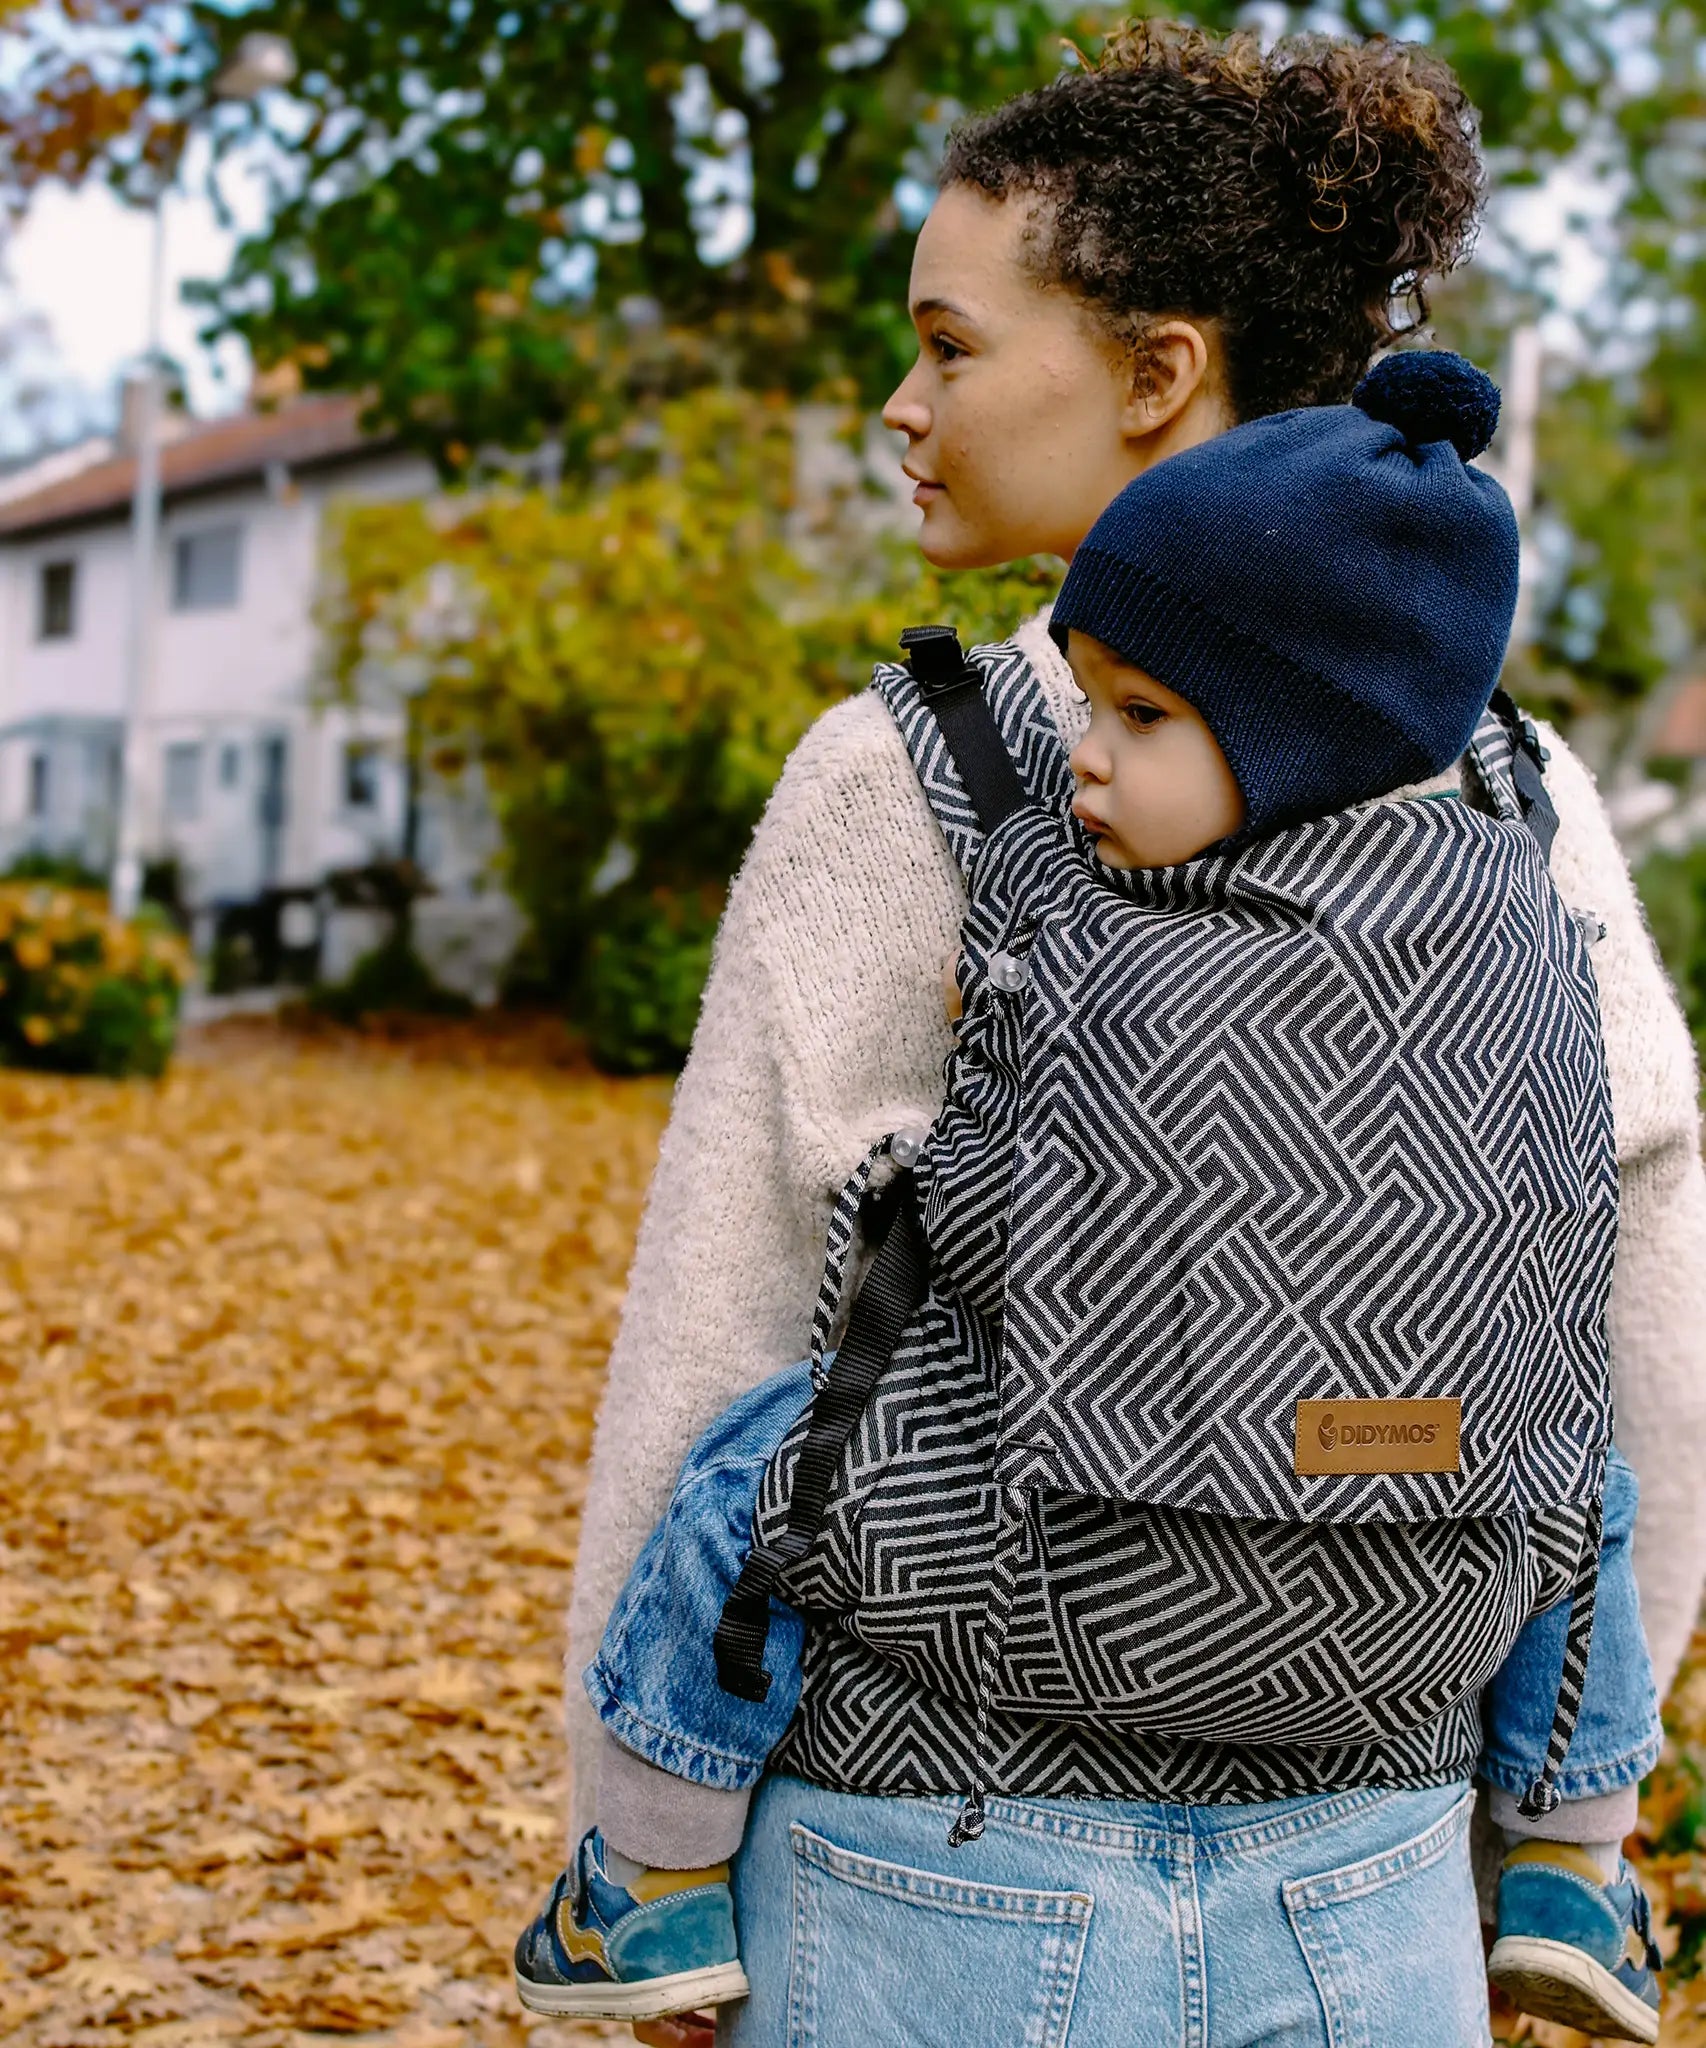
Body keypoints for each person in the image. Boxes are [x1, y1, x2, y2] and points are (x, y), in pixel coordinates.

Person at [556, 23, 1706, 2046]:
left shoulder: (913, 769)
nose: (899, 403)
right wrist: (1530, 1802)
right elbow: (1642, 1357)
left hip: (925, 1854)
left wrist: (643, 1832)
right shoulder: (1514, 795)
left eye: (950, 344)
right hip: (1376, 1871)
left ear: (1157, 370)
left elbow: (725, 1353)